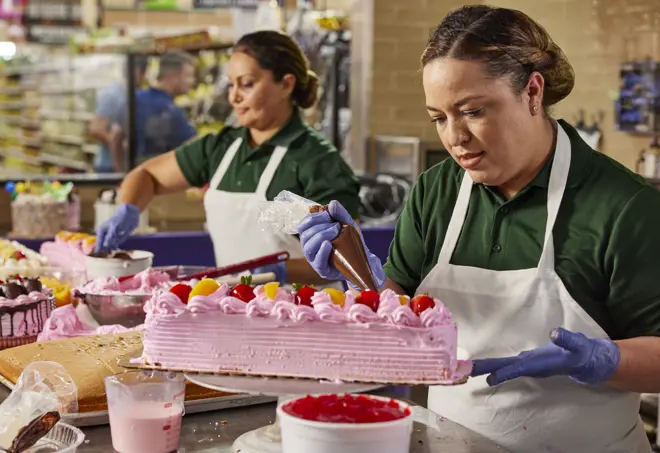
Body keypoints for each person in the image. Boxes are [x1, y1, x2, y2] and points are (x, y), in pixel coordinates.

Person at [299, 5, 659, 453]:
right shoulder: (436, 192)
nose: (454, 138)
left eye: (471, 111)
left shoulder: (623, 206)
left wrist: (602, 360)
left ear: (532, 91)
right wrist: (361, 281)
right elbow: (399, 319)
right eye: (439, 117)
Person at [95, 30, 360, 286]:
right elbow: (147, 175)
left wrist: (281, 271)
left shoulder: (318, 161)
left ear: (286, 85)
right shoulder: (221, 148)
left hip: (304, 315)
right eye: (232, 84)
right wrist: (127, 209)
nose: (234, 97)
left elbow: (347, 258)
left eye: (246, 84)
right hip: (233, 308)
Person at [134, 51, 197, 164]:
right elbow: (195, 146)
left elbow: (116, 136)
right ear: (173, 77)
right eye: (188, 76)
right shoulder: (170, 110)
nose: (192, 81)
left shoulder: (137, 98)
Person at [88, 56, 148, 173]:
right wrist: (120, 145)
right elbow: (96, 129)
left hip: (125, 166)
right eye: (143, 73)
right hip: (109, 167)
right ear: (136, 71)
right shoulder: (113, 95)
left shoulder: (134, 94)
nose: (144, 78)